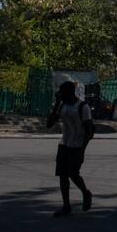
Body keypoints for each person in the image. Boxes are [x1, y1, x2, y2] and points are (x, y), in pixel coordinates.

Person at [46, 81, 94, 217]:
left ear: (69, 92)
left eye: (62, 93)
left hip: (78, 146)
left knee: (73, 174)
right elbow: (49, 124)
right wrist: (56, 104)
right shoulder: (62, 106)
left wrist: (82, 151)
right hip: (64, 144)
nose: (60, 95)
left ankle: (86, 193)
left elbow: (89, 130)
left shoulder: (83, 107)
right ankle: (66, 206)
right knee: (62, 176)